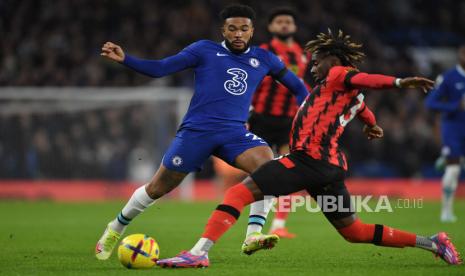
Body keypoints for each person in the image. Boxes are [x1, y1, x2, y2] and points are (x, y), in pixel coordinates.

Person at [157, 30, 462, 268]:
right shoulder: (344, 93)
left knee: (238, 193)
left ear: (334, 59)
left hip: (307, 161)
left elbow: (365, 79)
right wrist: (371, 123)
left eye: (317, 60)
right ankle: (433, 242)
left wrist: (398, 82)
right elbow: (362, 105)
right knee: (353, 232)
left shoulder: (338, 74)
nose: (313, 66)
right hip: (326, 169)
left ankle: (198, 253)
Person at [95, 4, 310, 261]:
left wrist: (306, 113)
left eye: (244, 29)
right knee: (158, 187)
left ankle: (253, 234)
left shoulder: (265, 59)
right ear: (224, 30)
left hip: (234, 132)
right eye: (232, 29)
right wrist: (126, 59)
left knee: (269, 169)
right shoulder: (204, 49)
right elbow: (162, 68)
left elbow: (298, 88)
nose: (238, 34)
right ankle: (116, 227)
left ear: (252, 31)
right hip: (197, 131)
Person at [425, 44, 465, 222]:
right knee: (454, 169)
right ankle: (446, 211)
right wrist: (455, 106)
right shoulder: (448, 78)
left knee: (454, 164)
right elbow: (430, 103)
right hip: (453, 127)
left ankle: (445, 156)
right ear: (460, 55)